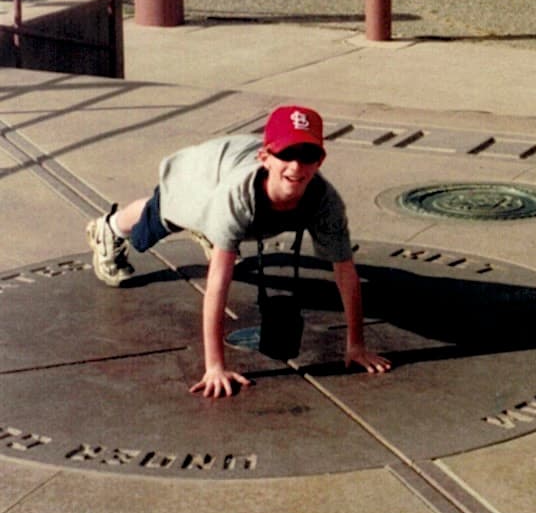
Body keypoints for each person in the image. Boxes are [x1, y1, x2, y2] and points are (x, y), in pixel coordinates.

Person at [85, 104, 391, 398]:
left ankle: (215, 232)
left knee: (223, 231)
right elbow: (218, 279)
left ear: (320, 161)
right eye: (287, 154)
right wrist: (215, 367)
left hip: (238, 172)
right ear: (266, 157)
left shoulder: (325, 201)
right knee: (160, 216)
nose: (297, 166)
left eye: (308, 155)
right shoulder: (235, 196)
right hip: (207, 174)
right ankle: (109, 228)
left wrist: (356, 346)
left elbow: (345, 271)